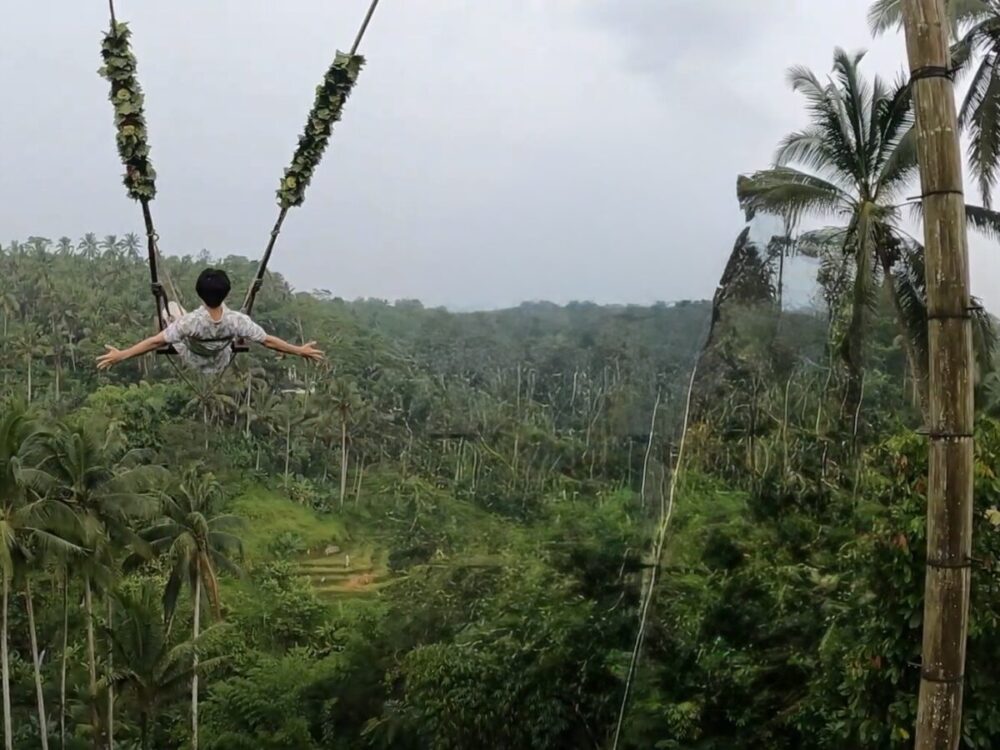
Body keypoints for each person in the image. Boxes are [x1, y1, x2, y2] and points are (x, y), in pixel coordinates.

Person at [96, 268, 323, 373]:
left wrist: (121, 355)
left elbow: (155, 342)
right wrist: (299, 350)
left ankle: (170, 316)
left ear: (199, 293)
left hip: (194, 358)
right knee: (184, 318)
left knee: (172, 309)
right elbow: (269, 341)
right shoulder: (238, 321)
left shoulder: (190, 323)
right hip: (219, 359)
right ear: (226, 293)